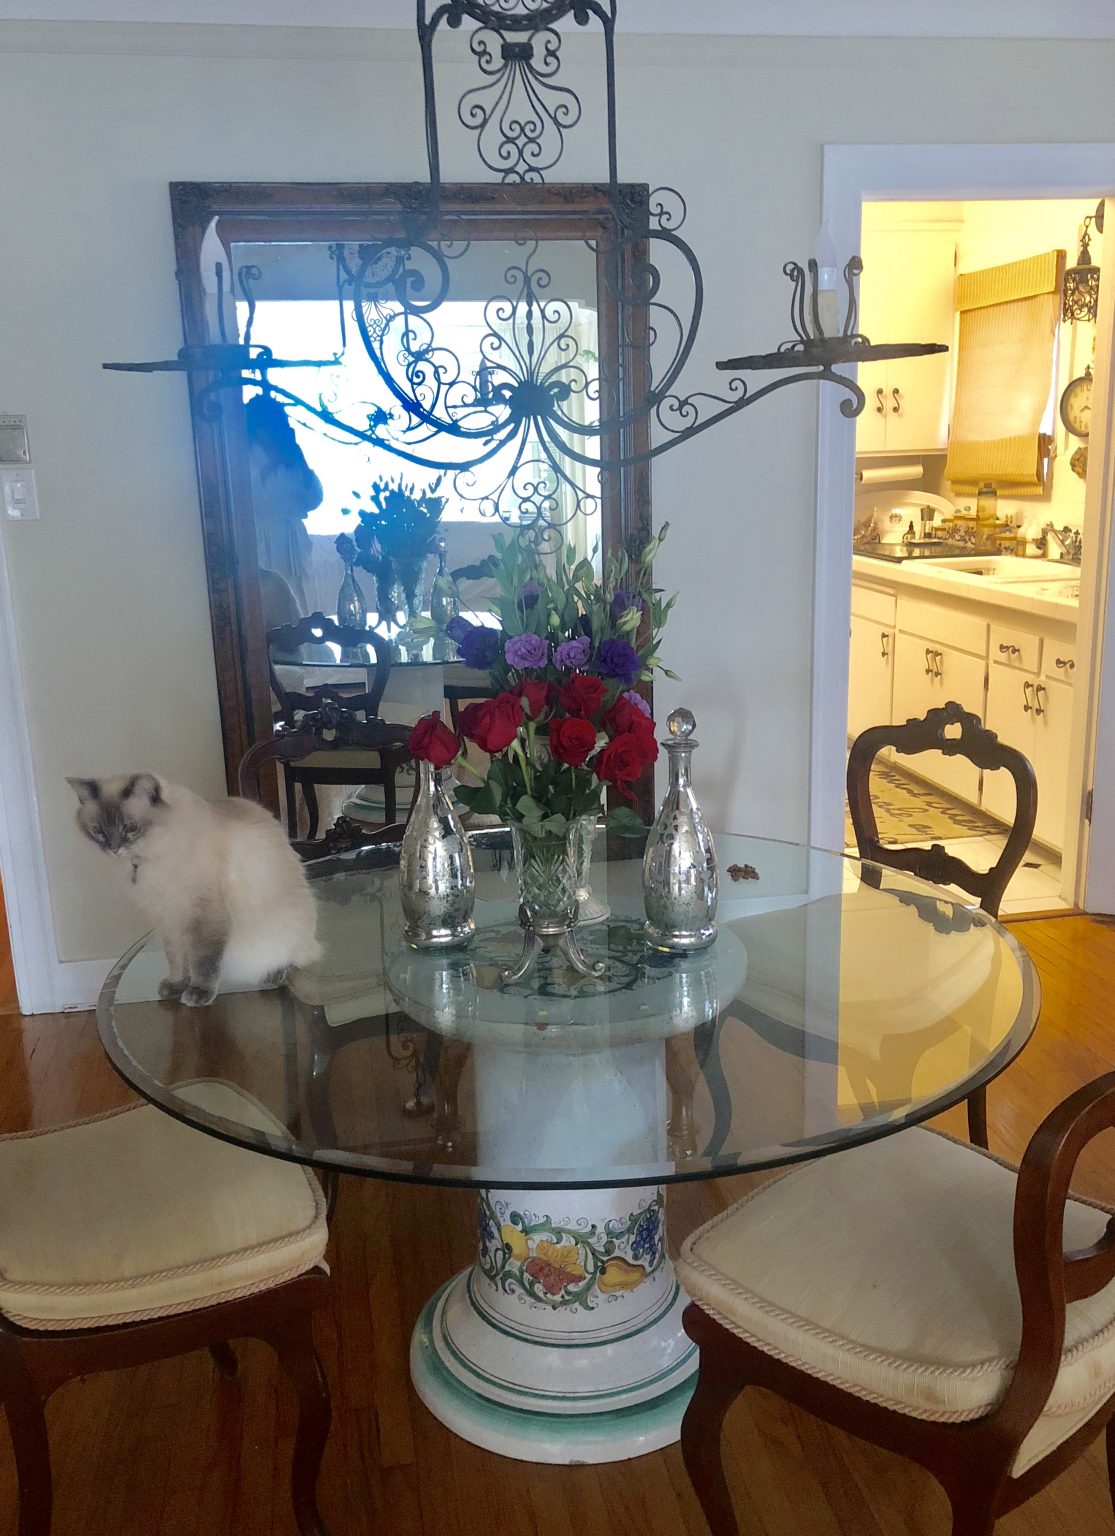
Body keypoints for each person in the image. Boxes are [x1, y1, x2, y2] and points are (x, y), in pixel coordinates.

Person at [245, 394, 323, 613]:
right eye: (266, 425)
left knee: (303, 601)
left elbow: (314, 499)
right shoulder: (244, 455)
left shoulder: (292, 455)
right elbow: (245, 496)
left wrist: (301, 463)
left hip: (293, 540)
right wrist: (271, 466)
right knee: (273, 603)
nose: (271, 431)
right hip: (264, 538)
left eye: (275, 424)